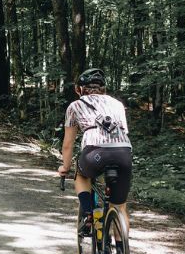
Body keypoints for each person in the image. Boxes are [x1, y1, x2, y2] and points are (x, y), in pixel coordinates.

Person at [56, 68, 133, 242]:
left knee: (81, 175)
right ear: (103, 89)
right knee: (120, 207)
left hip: (95, 154)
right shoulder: (117, 104)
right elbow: (123, 132)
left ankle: (88, 214)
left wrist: (65, 168)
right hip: (124, 153)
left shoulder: (75, 106)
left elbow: (68, 144)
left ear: (79, 89)